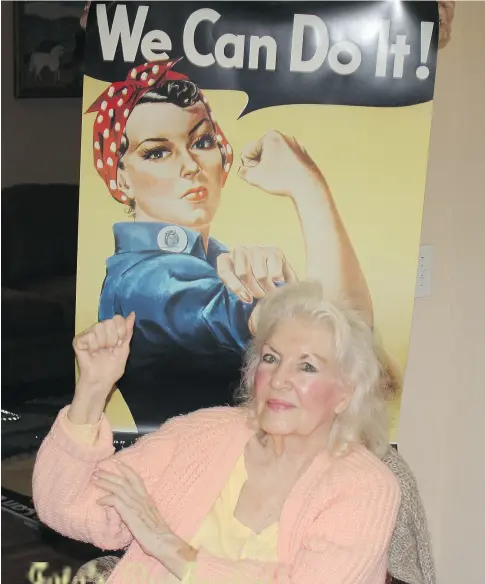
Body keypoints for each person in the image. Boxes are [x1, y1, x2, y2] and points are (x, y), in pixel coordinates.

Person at [33, 281, 400, 584]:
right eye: (271, 359)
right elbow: (68, 507)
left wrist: (168, 545)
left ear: (345, 393)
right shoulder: (203, 435)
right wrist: (93, 389)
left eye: (307, 366)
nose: (280, 380)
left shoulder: (365, 487)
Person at [85, 59, 373, 431]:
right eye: (157, 151)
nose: (190, 165)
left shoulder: (214, 259)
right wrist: (307, 186)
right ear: (122, 179)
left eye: (201, 142)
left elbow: (356, 343)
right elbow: (339, 343)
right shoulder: (148, 282)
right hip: (192, 476)